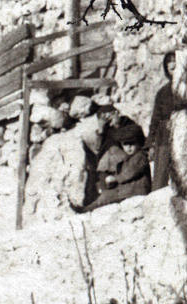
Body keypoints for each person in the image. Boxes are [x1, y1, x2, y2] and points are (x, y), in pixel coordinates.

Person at [73, 124, 151, 213]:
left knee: (107, 196)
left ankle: (86, 209)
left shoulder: (140, 156)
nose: (128, 147)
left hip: (137, 189)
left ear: (139, 143)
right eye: (125, 144)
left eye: (132, 144)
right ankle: (87, 208)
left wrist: (115, 179)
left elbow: (130, 173)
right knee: (107, 195)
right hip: (131, 188)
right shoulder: (132, 157)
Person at [146, 51, 177, 191]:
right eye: (171, 67)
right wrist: (151, 144)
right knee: (160, 177)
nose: (174, 70)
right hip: (165, 136)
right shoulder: (163, 93)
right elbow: (155, 119)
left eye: (176, 65)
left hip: (185, 135)